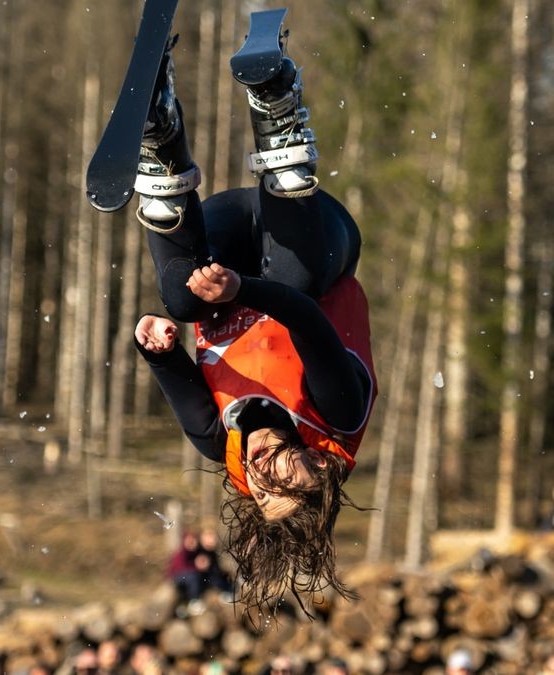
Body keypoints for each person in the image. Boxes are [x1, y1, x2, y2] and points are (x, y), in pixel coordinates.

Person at [131, 16, 377, 613]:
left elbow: (171, 371)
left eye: (262, 490)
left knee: (181, 301)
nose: (266, 471)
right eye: (287, 482)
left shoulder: (222, 442)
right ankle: (277, 107)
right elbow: (303, 317)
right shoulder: (336, 413)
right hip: (316, 239)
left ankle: (160, 140)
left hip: (226, 236)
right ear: (317, 465)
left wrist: (156, 343)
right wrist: (242, 288)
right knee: (293, 279)